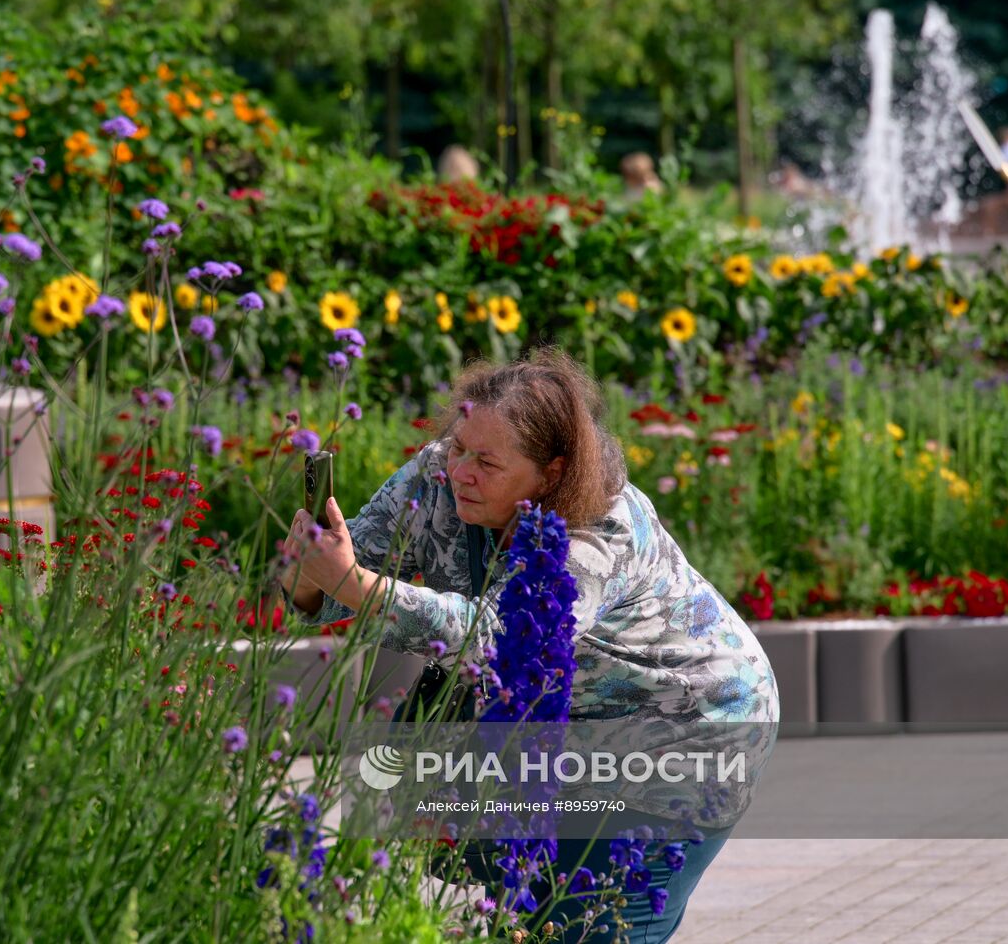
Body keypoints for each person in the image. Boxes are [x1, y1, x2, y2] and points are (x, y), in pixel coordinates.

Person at [281, 348, 779, 943]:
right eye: (458, 446)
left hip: (685, 730)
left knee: (596, 921)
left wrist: (351, 582)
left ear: (552, 471)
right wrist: (309, 570)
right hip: (556, 733)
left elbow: (499, 636)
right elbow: (334, 586)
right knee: (512, 903)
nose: (459, 470)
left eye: (486, 462)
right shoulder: (440, 473)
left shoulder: (602, 526)